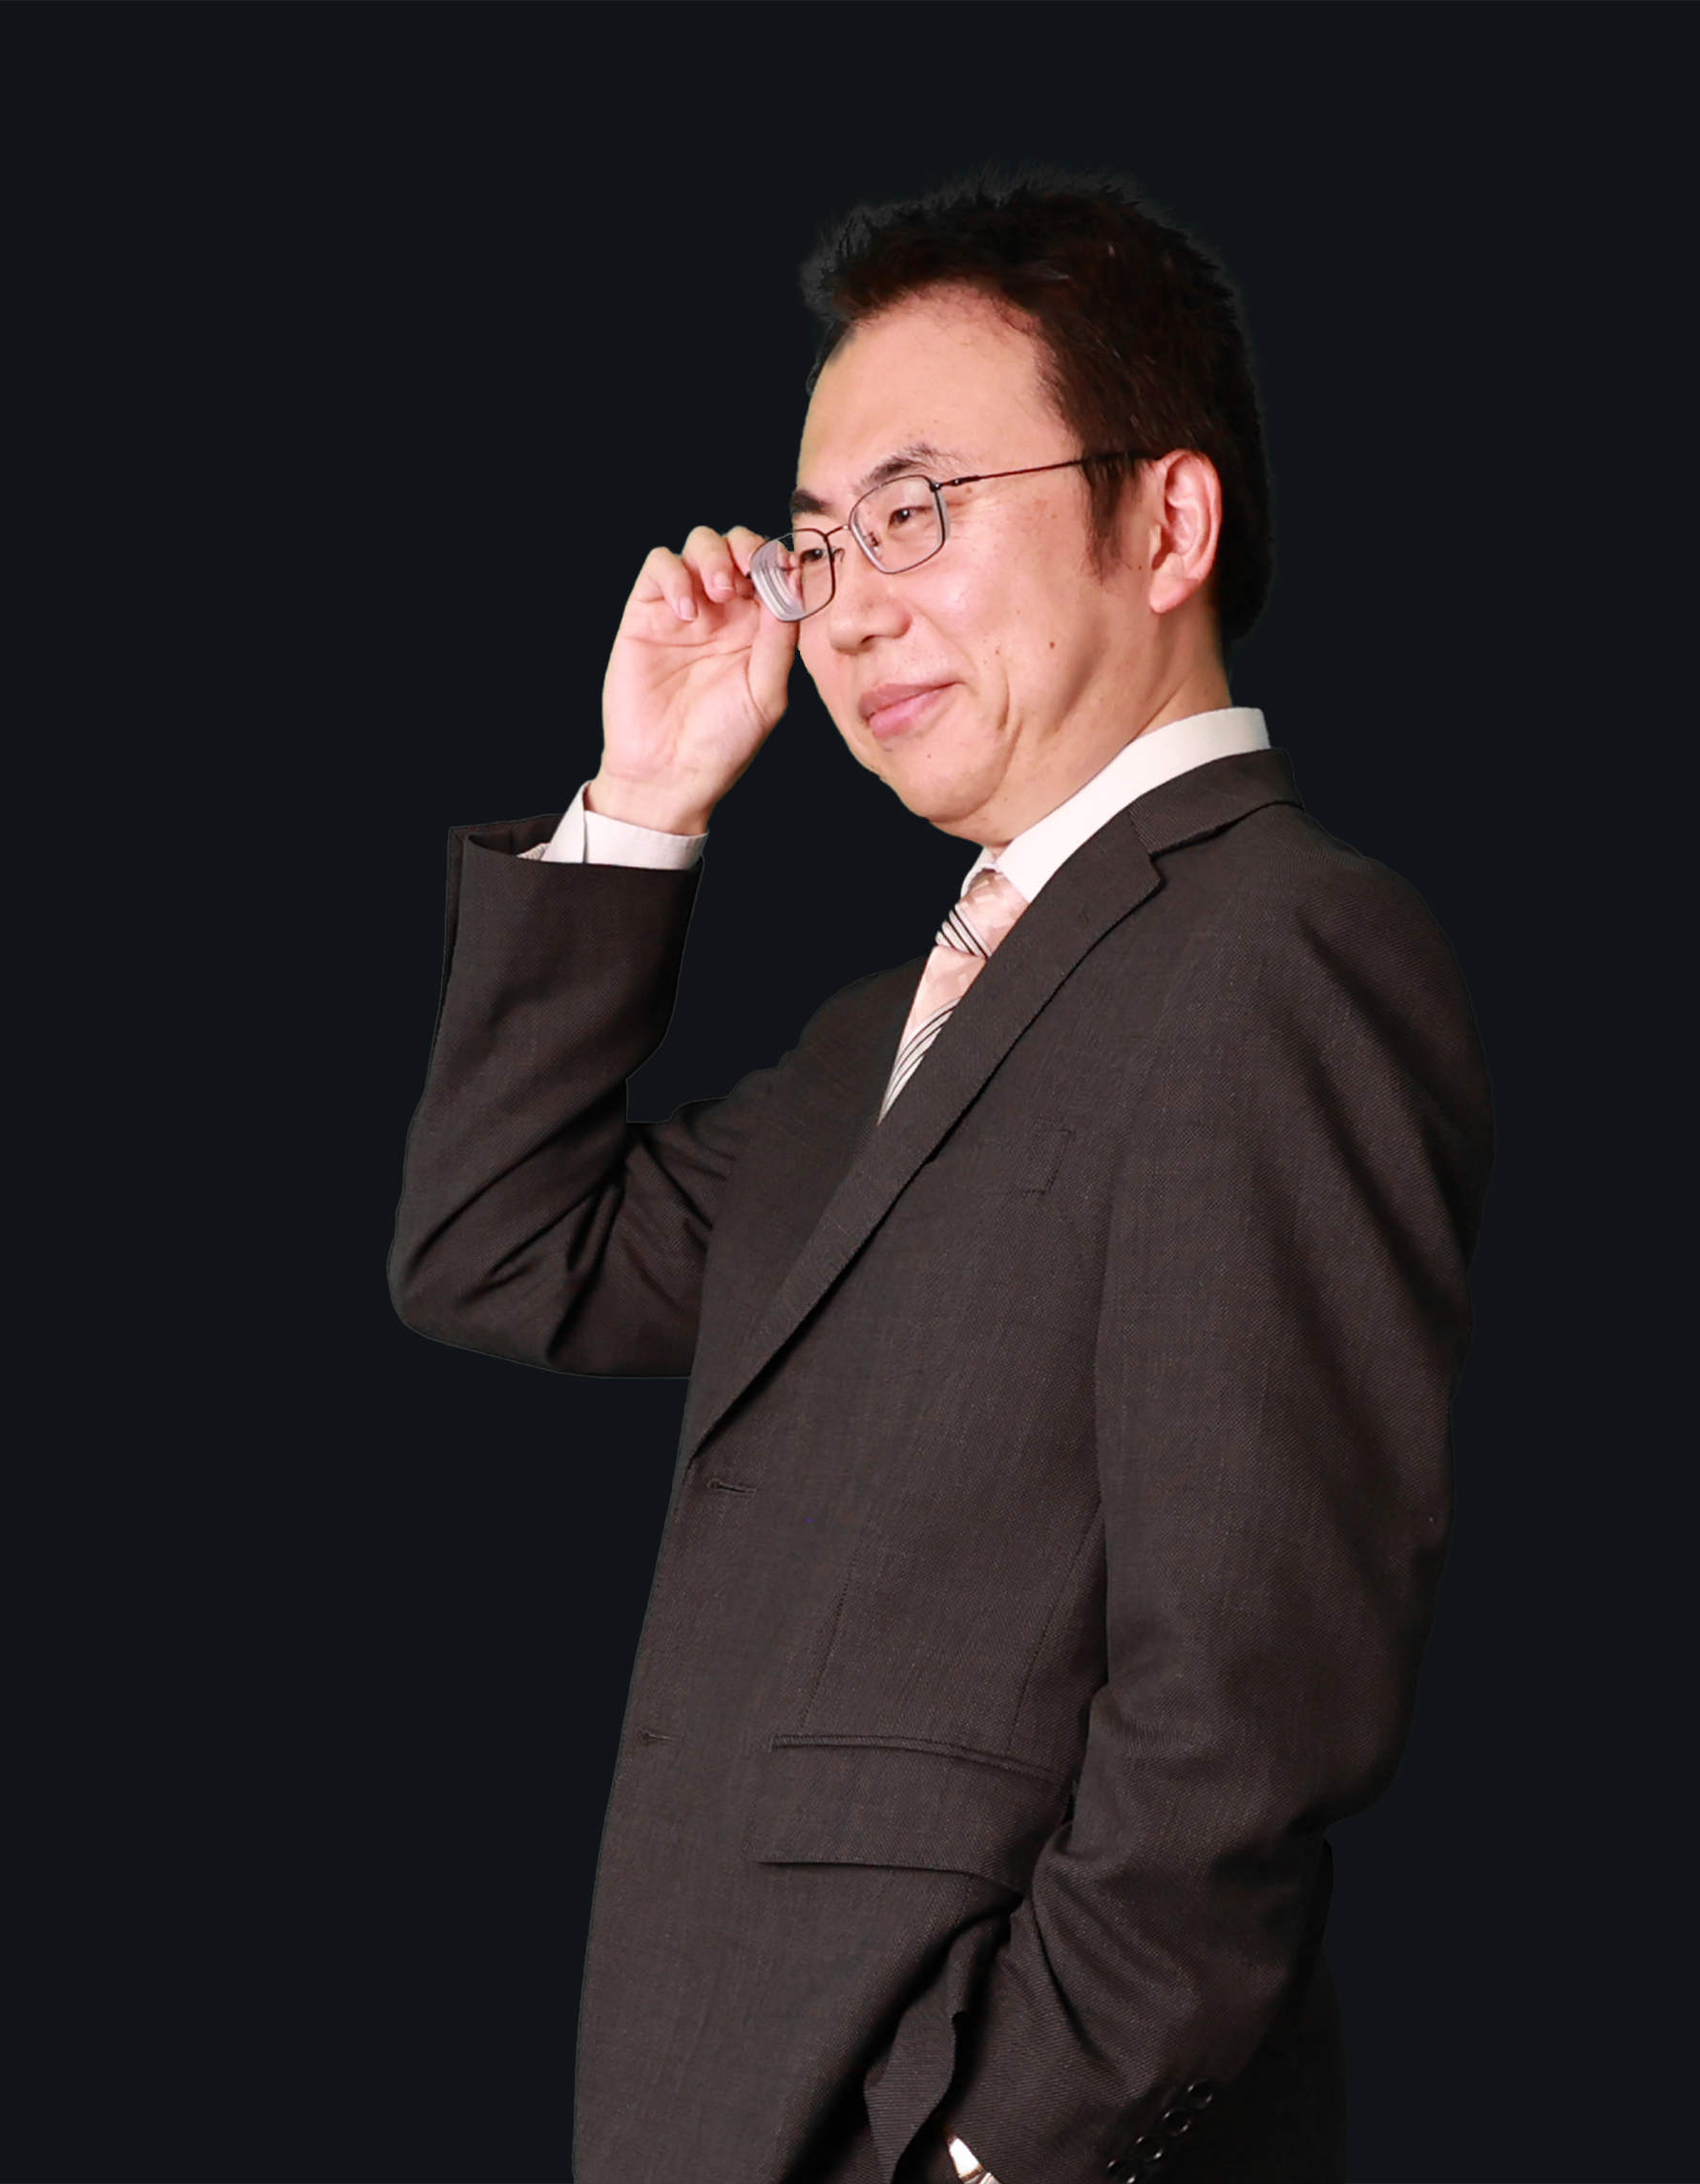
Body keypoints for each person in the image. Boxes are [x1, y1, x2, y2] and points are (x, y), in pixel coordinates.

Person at [390, 173, 1492, 2184]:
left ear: (1168, 524)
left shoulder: (1277, 955)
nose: (847, 605)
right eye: (817, 544)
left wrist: (981, 2152)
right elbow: (501, 1252)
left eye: (916, 512)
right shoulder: (874, 1041)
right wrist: (644, 796)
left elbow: (1246, 1710)